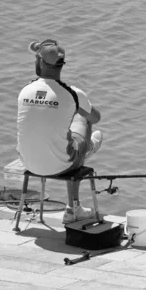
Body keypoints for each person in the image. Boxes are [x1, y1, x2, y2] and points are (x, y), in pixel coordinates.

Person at [16, 39, 103, 224]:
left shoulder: (25, 90)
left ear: (39, 62)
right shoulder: (73, 93)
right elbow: (96, 118)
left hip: (28, 162)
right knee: (84, 119)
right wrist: (79, 106)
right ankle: (74, 207)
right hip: (61, 165)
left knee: (52, 124)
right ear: (61, 66)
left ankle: (77, 149)